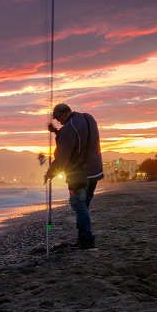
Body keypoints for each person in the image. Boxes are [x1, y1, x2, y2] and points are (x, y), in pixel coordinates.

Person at [44, 103, 104, 250]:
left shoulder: (68, 128)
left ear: (63, 113)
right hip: (95, 170)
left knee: (78, 205)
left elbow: (62, 156)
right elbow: (79, 140)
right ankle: (83, 238)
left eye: (58, 118)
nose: (58, 121)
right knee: (84, 205)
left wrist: (50, 172)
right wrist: (58, 132)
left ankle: (86, 240)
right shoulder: (88, 118)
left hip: (79, 174)